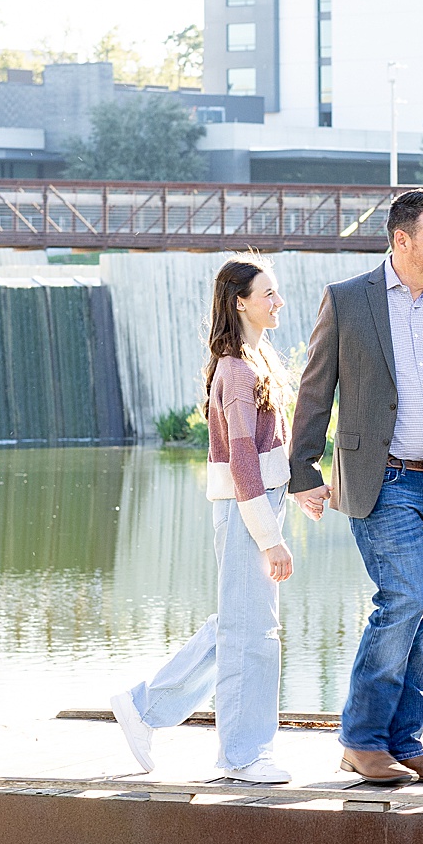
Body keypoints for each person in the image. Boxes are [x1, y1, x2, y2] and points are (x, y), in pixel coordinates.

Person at [288, 189, 423, 787]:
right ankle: (361, 739)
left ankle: (406, 741)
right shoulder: (348, 300)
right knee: (404, 598)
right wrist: (303, 471)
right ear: (402, 241)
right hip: (380, 480)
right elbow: (315, 389)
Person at [111, 256, 295, 783]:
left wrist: (303, 487)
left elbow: (266, 449)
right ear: (241, 302)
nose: (277, 301)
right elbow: (242, 461)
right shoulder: (237, 370)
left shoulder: (257, 360)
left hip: (259, 503)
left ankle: (146, 708)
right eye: (269, 294)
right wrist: (270, 538)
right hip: (247, 511)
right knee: (251, 633)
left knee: (240, 626)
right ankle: (240, 756)